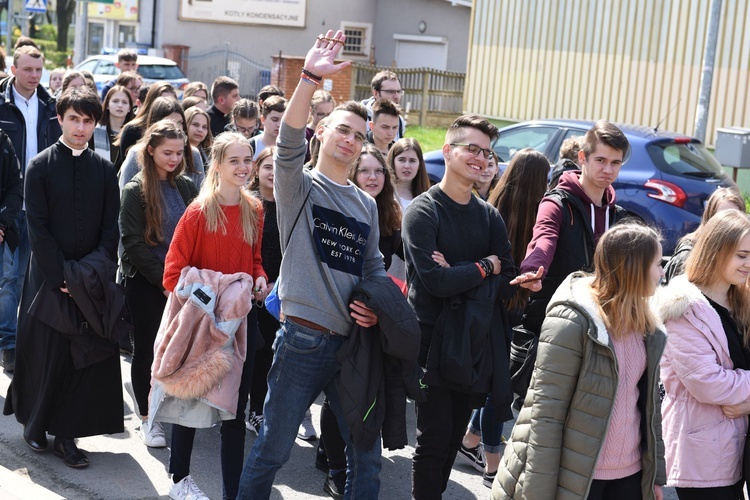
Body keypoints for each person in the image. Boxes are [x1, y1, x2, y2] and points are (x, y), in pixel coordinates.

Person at [237, 30, 386, 500]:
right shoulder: (298, 185)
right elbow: (287, 141)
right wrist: (308, 78)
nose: (351, 140)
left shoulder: (366, 205)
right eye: (343, 129)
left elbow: (374, 266)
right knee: (272, 451)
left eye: (359, 136)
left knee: (367, 457)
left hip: (352, 348)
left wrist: (377, 305)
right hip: (301, 340)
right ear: (322, 131)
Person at [494, 223, 667, 500]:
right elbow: (546, 416)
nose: (662, 272)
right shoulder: (573, 322)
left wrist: (655, 476)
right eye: (657, 264)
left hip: (631, 476)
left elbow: (649, 406)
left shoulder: (648, 326)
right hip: (579, 479)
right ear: (633, 269)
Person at [3, 88, 123, 469]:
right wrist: (62, 278)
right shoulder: (39, 166)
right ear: (60, 118)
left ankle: (67, 436)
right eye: (74, 118)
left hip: (90, 281)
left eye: (88, 121)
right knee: (47, 354)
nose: (81, 127)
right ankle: (36, 423)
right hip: (46, 280)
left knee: (83, 358)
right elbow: (37, 229)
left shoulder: (104, 170)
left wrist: (88, 275)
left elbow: (110, 230)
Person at [403, 114, 515, 499]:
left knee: (452, 441)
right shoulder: (423, 211)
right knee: (433, 442)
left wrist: (463, 274)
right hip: (432, 345)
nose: (481, 158)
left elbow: (508, 282)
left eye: (486, 152)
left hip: (474, 345)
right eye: (472, 149)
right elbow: (435, 282)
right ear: (448, 151)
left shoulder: (489, 216)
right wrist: (484, 267)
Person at [158, 131, 267, 500]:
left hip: (242, 323)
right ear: (216, 165)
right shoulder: (198, 212)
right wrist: (218, 289)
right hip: (204, 322)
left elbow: (253, 260)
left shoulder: (255, 209)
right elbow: (173, 273)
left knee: (234, 411)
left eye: (247, 159)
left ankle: (231, 493)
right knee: (189, 405)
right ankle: (178, 482)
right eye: (233, 160)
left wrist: (259, 278)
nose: (242, 166)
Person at [310, 143, 404, 498]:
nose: (373, 177)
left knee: (361, 392)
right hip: (336, 310)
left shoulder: (391, 214)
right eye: (365, 170)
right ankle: (334, 465)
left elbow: (391, 267)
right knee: (337, 397)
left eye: (379, 170)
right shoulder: (339, 205)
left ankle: (352, 466)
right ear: (352, 174)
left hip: (371, 315)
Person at [458, 148, 550, 485]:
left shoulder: (492, 207)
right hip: (511, 310)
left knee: (493, 386)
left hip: (487, 305)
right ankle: (492, 463)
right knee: (498, 390)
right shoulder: (540, 217)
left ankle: (470, 440)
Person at [658, 209, 750, 500]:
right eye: (742, 255)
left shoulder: (740, 298)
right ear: (717, 251)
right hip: (703, 455)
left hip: (737, 446)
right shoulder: (683, 308)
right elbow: (708, 383)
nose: (748, 264)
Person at [120, 119, 198, 449]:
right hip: (147, 283)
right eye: (167, 152)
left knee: (178, 351)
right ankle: (145, 417)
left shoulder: (186, 187)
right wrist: (164, 282)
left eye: (179, 153)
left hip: (182, 283)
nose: (174, 159)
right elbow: (133, 244)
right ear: (150, 150)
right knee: (148, 351)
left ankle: (169, 410)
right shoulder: (135, 189)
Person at [513, 120, 629, 336]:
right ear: (582, 158)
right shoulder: (557, 203)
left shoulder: (618, 214)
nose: (608, 169)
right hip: (554, 322)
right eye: (601, 160)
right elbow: (544, 237)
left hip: (602, 325)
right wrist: (533, 269)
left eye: (616, 163)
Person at [0, 45, 62, 372]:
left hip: (40, 206)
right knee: (10, 277)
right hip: (8, 208)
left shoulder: (50, 106)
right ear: (13, 68)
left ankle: (24, 340)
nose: (34, 76)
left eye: (39, 70)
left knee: (33, 277)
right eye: (28, 70)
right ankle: (8, 344)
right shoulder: (1, 104)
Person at [245, 146, 280, 439]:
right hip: (246, 288)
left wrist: (274, 284)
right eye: (268, 166)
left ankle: (257, 409)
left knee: (266, 353)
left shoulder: (290, 204)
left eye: (279, 166)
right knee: (244, 353)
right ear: (257, 169)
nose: (273, 172)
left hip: (276, 292)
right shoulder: (247, 203)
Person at [663, 186, 746, 284]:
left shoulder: (742, 253)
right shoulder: (688, 254)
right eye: (722, 216)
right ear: (709, 217)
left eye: (734, 217)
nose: (727, 223)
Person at [118, 97, 205, 190]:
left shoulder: (193, 154)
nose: (176, 127)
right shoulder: (136, 153)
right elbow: (124, 192)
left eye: (180, 122)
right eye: (169, 122)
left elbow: (200, 195)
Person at [386, 137, 430, 281]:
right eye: (402, 160)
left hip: (414, 274)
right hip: (387, 272)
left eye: (412, 161)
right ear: (392, 161)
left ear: (419, 164)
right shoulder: (383, 195)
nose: (407, 166)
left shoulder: (427, 198)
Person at [117, 82, 178, 162]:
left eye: (170, 101)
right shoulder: (133, 130)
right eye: (160, 101)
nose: (166, 105)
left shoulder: (178, 128)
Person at [93, 84, 134, 164]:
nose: (120, 105)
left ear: (129, 108)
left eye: (124, 102)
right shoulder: (94, 131)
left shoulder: (134, 134)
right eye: (115, 101)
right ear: (107, 105)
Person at [361, 70, 406, 139]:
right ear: (376, 93)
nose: (397, 96)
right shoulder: (361, 118)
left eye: (398, 91)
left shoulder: (399, 120)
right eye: (390, 91)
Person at [249, 95, 286, 160]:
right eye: (275, 120)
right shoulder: (251, 146)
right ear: (263, 120)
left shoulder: (291, 147)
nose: (279, 125)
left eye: (283, 120)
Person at [305, 90, 335, 163]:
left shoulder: (335, 134)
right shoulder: (305, 135)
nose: (325, 118)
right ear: (311, 111)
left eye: (329, 114)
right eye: (321, 114)